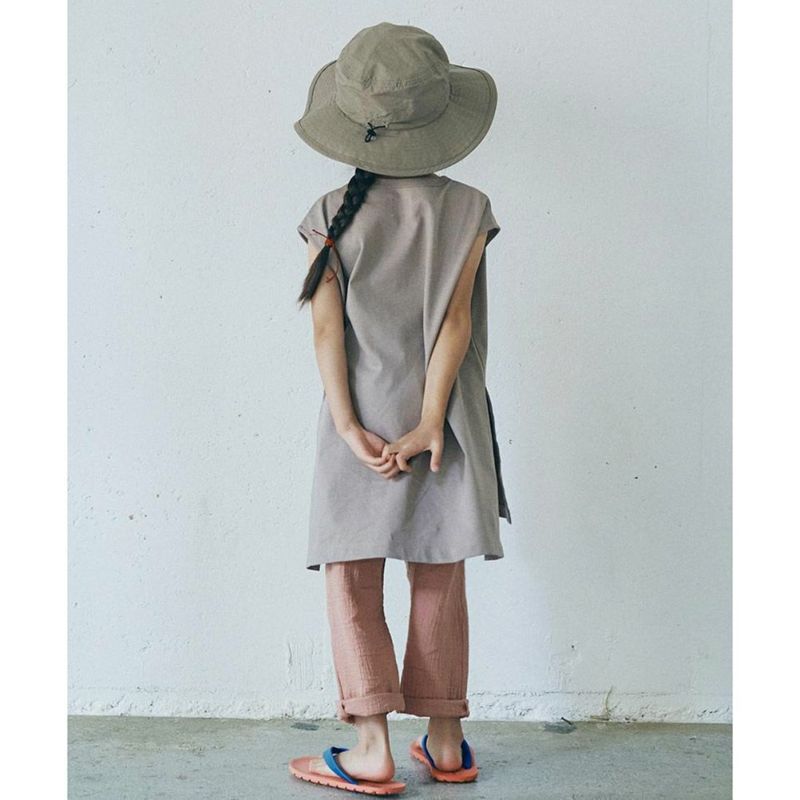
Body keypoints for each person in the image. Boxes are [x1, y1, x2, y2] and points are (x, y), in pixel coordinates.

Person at [288, 21, 512, 796]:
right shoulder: (470, 207)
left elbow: (326, 328)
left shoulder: (329, 209)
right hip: (442, 419)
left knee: (351, 575)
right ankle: (445, 744)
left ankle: (372, 747)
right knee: (438, 569)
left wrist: (349, 424)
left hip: (359, 414)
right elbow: (457, 323)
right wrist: (429, 420)